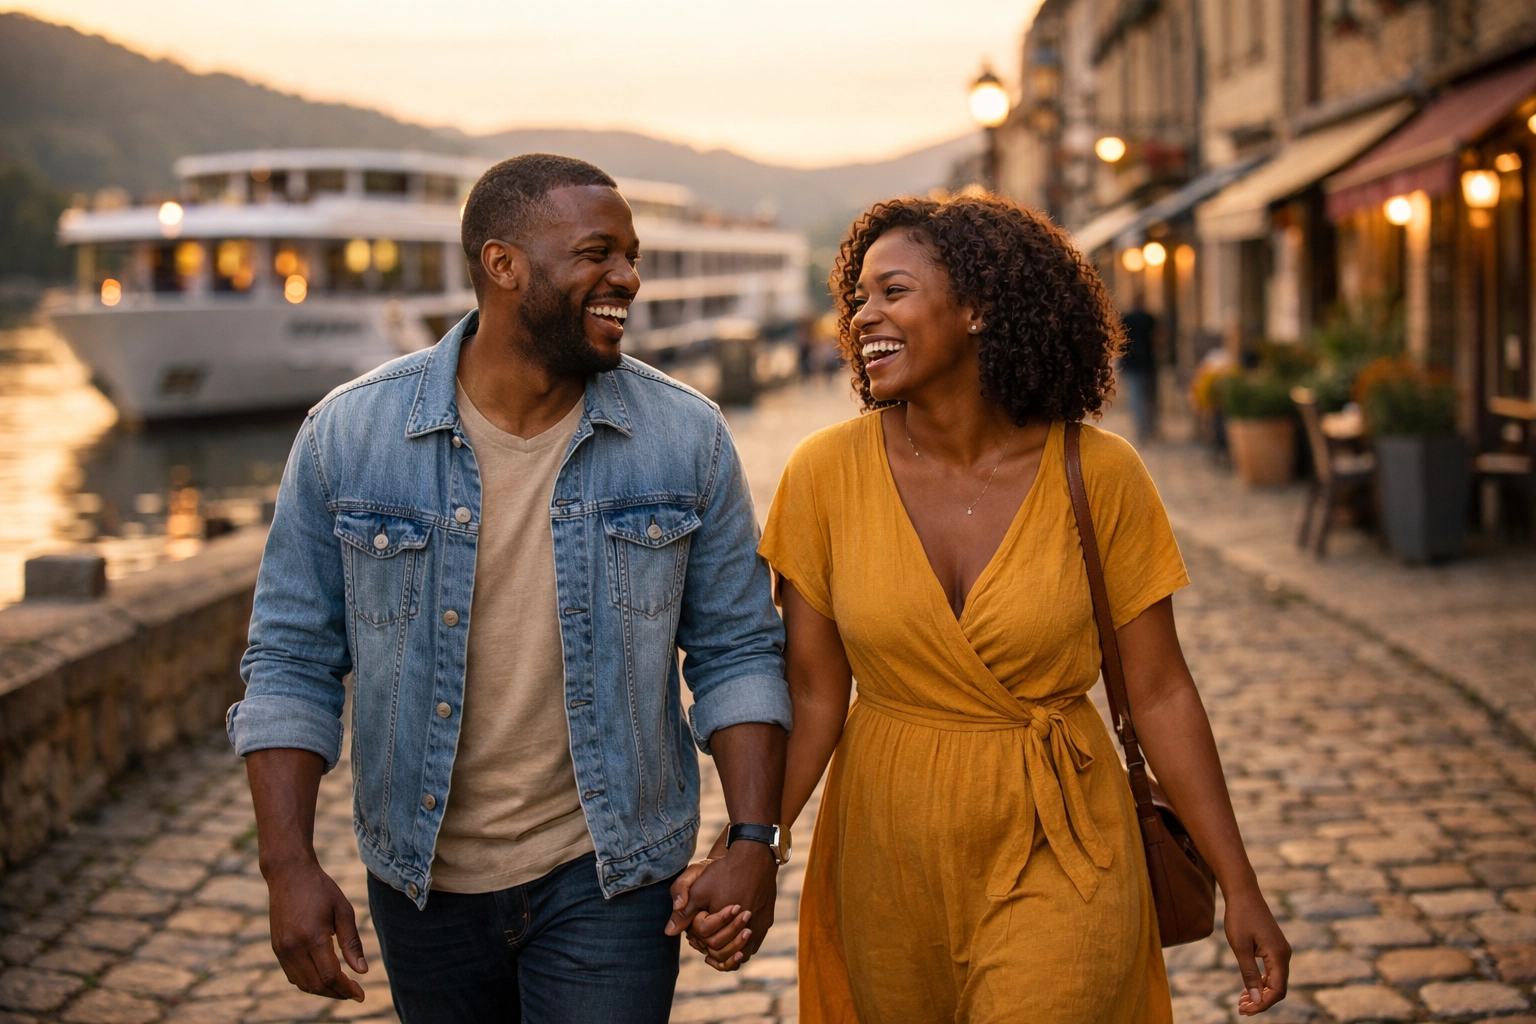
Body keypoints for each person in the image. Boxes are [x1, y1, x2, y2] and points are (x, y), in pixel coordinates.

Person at [671, 194, 1290, 1021]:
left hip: (1062, 834)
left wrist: (1241, 887)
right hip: (888, 848)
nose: (863, 317)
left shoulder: (1100, 475)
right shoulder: (824, 476)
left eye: (893, 291)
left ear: (978, 309)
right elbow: (817, 694)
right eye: (857, 298)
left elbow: (1160, 692)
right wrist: (753, 845)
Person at [228, 154, 792, 1024]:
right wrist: (286, 865)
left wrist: (754, 836)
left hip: (612, 874)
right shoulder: (349, 436)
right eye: (599, 253)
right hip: (423, 882)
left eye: (633, 256)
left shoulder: (686, 438)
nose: (629, 280)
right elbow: (291, 662)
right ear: (504, 265)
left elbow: (737, 650)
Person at [1120, 301, 1158, 442]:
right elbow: (1157, 338)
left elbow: (1121, 341)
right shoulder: (1149, 318)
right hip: (1147, 362)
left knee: (1136, 398)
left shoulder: (1127, 319)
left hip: (1132, 362)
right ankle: (1148, 428)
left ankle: (1142, 429)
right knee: (1148, 398)